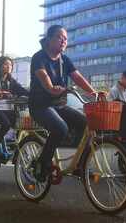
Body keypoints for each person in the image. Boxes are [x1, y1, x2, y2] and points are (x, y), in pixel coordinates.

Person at [29, 25, 97, 182]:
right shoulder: (39, 57)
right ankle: (43, 163)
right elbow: (44, 77)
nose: (64, 41)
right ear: (49, 39)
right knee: (61, 128)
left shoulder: (65, 60)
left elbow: (78, 78)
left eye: (66, 39)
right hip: (40, 106)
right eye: (60, 37)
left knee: (87, 124)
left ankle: (80, 166)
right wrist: (52, 88)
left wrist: (94, 93)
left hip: (59, 105)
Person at [0, 56, 29, 156]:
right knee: (5, 124)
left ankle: (19, 148)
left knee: (21, 123)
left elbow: (21, 90)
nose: (8, 66)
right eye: (5, 64)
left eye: (10, 65)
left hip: (8, 109)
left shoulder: (12, 81)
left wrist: (34, 95)